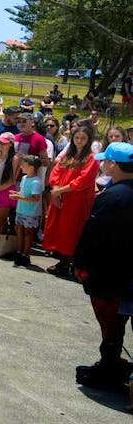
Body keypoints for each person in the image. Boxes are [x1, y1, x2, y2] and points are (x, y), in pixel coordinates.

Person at [72, 142, 133, 390]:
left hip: (110, 276)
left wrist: (80, 263)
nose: (103, 164)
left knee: (111, 325)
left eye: (106, 161)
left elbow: (93, 235)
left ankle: (110, 366)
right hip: (126, 274)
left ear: (114, 165)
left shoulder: (112, 196)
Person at [43, 125, 99, 277]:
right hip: (60, 196)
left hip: (76, 200)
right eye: (76, 138)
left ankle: (70, 263)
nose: (79, 141)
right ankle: (63, 261)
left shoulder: (91, 158)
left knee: (72, 229)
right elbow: (56, 172)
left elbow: (83, 181)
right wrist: (55, 190)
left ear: (88, 141)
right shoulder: (68, 154)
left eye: (83, 138)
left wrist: (60, 191)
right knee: (59, 228)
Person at [9, 155, 43, 267]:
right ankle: (19, 251)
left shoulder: (36, 182)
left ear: (32, 167)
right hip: (21, 209)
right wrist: (16, 194)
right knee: (18, 229)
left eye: (24, 165)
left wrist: (18, 197)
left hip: (30, 212)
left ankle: (26, 254)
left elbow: (35, 198)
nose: (21, 166)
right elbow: (24, 193)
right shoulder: (24, 178)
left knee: (28, 233)